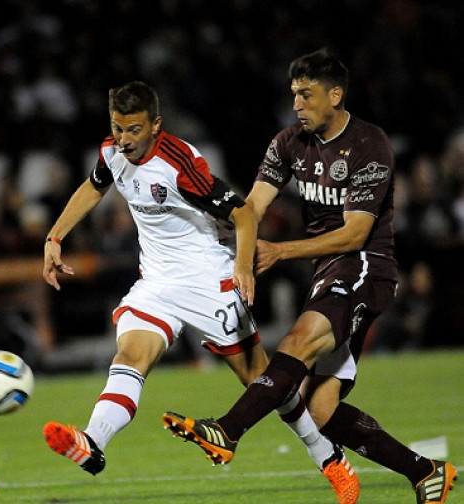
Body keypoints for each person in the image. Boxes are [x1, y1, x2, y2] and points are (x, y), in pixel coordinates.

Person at [162, 49, 458, 504]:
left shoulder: (369, 144)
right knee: (320, 410)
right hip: (327, 271)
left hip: (365, 267)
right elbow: (254, 207)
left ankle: (226, 430)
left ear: (335, 95)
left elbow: (355, 233)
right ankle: (426, 473)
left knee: (298, 341)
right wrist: (221, 237)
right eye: (293, 94)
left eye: (306, 94)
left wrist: (280, 250)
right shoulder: (288, 143)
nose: (296, 103)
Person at [41, 81, 358, 502]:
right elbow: (94, 185)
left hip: (210, 279)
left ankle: (327, 456)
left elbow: (243, 214)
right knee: (131, 356)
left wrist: (242, 267)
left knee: (263, 382)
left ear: (156, 124)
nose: (125, 139)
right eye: (118, 128)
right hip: (156, 282)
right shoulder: (111, 152)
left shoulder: (180, 164)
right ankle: (93, 443)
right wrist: (55, 236)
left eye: (134, 129)